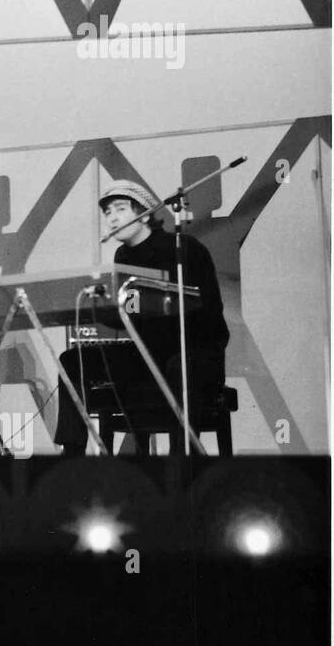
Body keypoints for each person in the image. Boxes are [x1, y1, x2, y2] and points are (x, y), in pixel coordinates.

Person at [54, 179, 229, 456]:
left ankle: (181, 462)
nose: (112, 218)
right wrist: (100, 308)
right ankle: (71, 454)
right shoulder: (123, 255)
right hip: (147, 352)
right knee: (72, 361)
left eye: (120, 209)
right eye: (108, 213)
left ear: (145, 213)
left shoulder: (184, 248)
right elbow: (128, 317)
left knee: (179, 366)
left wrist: (160, 303)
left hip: (192, 351)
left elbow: (205, 310)